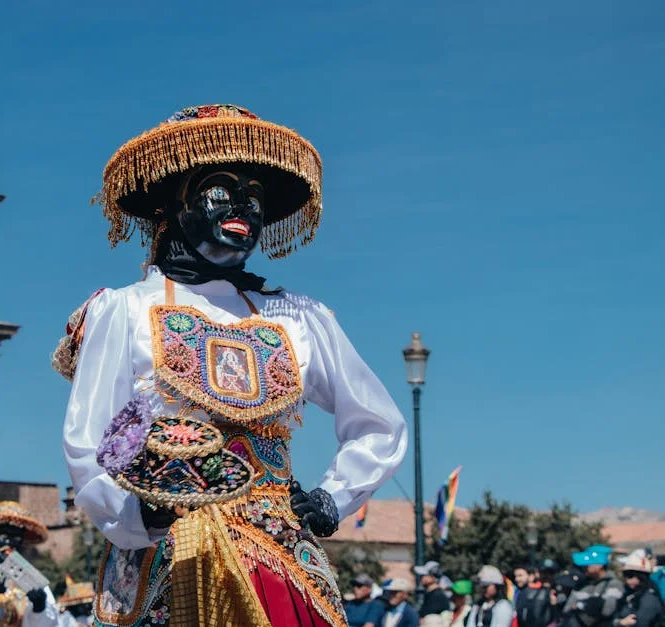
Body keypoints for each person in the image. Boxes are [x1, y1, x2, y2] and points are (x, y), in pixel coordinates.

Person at [58, 104, 408, 627]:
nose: (242, 206)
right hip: (167, 551)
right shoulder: (126, 308)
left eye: (254, 197)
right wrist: (136, 513)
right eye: (220, 191)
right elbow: (92, 440)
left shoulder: (297, 315)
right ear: (171, 208)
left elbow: (378, 424)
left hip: (278, 552)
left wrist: (332, 498)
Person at [561, 545, 624, 627]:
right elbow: (567, 610)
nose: (585, 566)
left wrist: (582, 606)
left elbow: (607, 611)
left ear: (600, 565)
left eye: (589, 563)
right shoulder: (582, 584)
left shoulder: (613, 584)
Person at [613, 550, 664, 627]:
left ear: (641, 577)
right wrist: (620, 623)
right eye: (626, 575)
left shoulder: (649, 598)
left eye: (630, 575)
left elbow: (641, 623)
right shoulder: (629, 595)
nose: (627, 580)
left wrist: (620, 623)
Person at [415, 562, 452, 627]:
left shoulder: (438, 596)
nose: (421, 578)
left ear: (433, 577)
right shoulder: (430, 594)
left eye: (423, 575)